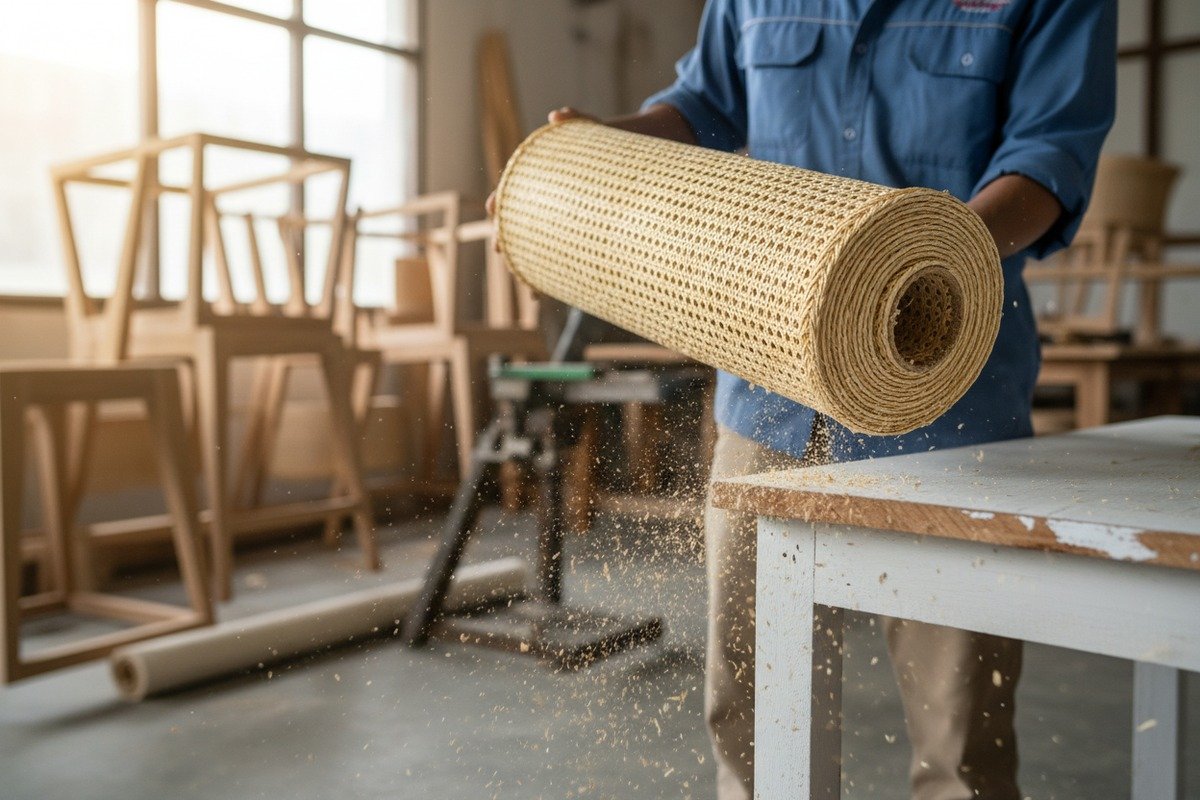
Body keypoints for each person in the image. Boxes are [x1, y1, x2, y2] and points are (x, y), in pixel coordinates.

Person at [493, 1, 1116, 797]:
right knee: (752, 715)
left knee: (960, 738)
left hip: (946, 392)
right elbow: (704, 106)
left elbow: (1050, 154)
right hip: (768, 393)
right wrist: (597, 148)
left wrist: (919, 264)